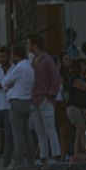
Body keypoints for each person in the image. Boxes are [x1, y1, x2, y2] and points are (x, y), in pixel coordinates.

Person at [27, 34, 62, 163]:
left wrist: (51, 94)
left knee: (50, 128)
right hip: (33, 98)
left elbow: (55, 77)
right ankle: (43, 155)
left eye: (29, 43)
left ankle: (56, 154)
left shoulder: (46, 60)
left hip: (44, 98)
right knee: (39, 130)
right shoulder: (32, 60)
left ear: (34, 45)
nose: (27, 46)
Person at [3, 44, 36, 168]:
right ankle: (31, 160)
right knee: (26, 133)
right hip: (26, 101)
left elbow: (5, 82)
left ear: (15, 55)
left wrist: (10, 85)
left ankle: (19, 162)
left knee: (17, 135)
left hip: (16, 101)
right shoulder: (29, 67)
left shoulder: (18, 67)